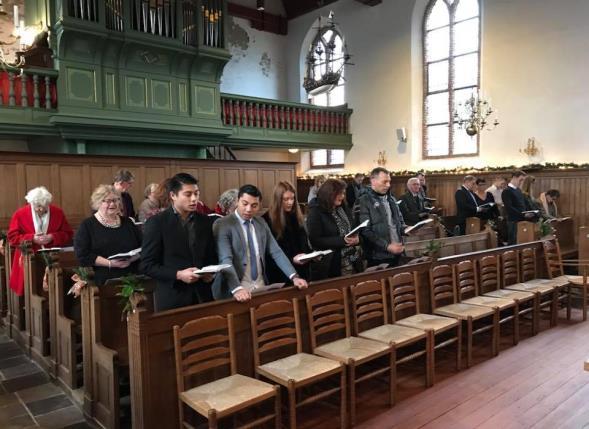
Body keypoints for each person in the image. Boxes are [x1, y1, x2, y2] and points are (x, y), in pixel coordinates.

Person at [213, 184, 308, 302]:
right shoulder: (223, 224)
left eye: (254, 205)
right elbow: (225, 259)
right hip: (235, 286)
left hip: (260, 284)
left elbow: (276, 252)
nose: (249, 209)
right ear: (238, 201)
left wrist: (294, 276)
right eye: (245, 203)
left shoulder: (261, 222)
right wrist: (237, 288)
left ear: (259, 205)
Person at [141, 173, 217, 311]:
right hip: (173, 296)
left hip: (203, 294)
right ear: (173, 196)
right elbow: (147, 265)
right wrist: (178, 275)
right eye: (188, 194)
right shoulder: (157, 223)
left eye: (196, 193)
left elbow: (210, 255)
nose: (194, 199)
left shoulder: (205, 221)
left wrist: (209, 272)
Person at [8, 186, 73, 295]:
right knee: (29, 290)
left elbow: (68, 234)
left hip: (53, 258)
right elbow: (12, 237)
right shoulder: (20, 214)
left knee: (56, 290)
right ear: (31, 203)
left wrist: (52, 237)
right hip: (28, 258)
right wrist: (32, 238)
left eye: (44, 206)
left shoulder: (58, 212)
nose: (41, 209)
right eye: (38, 206)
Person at [74, 185, 142, 286]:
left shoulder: (128, 223)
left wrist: (131, 259)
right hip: (104, 277)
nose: (113, 204)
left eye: (116, 200)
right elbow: (83, 255)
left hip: (133, 273)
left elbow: (144, 246)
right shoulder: (87, 225)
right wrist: (110, 263)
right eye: (108, 201)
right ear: (98, 202)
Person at [307, 179, 362, 279]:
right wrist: (342, 240)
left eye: (343, 193)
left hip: (353, 259)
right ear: (329, 193)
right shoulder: (316, 211)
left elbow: (352, 227)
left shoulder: (342, 207)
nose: (343, 196)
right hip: (332, 263)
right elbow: (315, 240)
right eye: (339, 193)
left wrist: (357, 238)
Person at [262, 181, 312, 283]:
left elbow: (303, 242)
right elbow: (270, 252)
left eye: (292, 198)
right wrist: (291, 259)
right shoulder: (266, 220)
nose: (290, 202)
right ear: (278, 200)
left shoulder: (296, 216)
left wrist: (311, 255)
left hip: (302, 270)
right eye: (286, 199)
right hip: (280, 273)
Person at [358, 167, 408, 268]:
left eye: (389, 181)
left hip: (397, 251)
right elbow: (365, 231)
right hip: (378, 256)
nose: (388, 185)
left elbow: (399, 223)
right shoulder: (364, 200)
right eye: (384, 182)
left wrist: (406, 229)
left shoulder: (391, 199)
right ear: (373, 181)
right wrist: (387, 246)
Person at [502, 171, 536, 245]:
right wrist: (523, 214)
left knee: (522, 241)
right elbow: (509, 208)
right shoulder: (506, 191)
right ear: (514, 177)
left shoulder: (518, 190)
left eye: (523, 180)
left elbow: (525, 204)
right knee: (513, 242)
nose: (521, 182)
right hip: (513, 220)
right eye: (520, 180)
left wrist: (533, 211)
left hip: (522, 219)